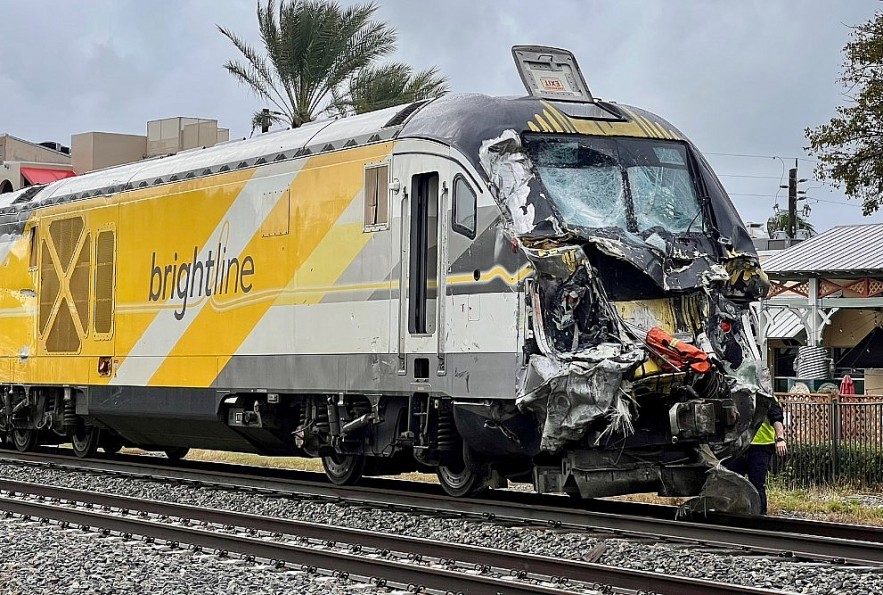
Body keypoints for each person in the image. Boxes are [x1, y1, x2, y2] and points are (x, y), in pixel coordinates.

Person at [724, 397, 788, 515]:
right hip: (737, 445)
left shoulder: (766, 396)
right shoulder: (735, 393)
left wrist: (780, 438)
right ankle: (735, 514)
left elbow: (776, 417)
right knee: (733, 482)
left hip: (760, 446)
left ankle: (760, 515)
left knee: (757, 483)